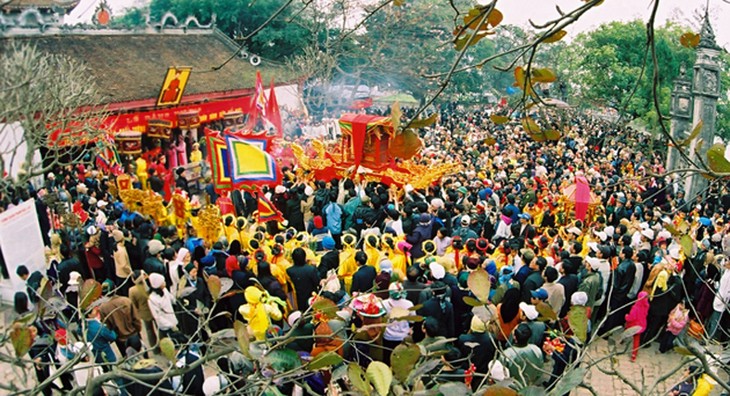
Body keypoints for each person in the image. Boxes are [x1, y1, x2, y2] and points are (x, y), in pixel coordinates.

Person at [381, 282, 413, 365]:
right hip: (403, 337)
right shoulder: (408, 304)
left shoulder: (384, 304)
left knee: (388, 360)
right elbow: (413, 320)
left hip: (388, 336)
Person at [129, 270, 156, 349]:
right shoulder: (149, 284)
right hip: (155, 309)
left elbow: (133, 304)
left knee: (149, 330)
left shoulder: (132, 290)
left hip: (144, 312)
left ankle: (154, 348)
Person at [147, 272, 178, 339]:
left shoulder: (164, 290)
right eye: (162, 282)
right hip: (166, 327)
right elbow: (157, 316)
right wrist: (170, 325)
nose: (164, 282)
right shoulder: (152, 299)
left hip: (173, 319)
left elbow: (171, 298)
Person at [624, 291, 650, 362]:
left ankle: (623, 340)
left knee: (627, 331)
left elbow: (631, 317)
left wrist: (626, 317)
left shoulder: (635, 307)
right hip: (641, 325)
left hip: (634, 326)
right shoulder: (646, 305)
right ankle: (634, 354)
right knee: (636, 340)